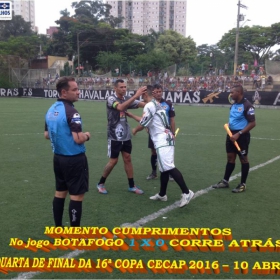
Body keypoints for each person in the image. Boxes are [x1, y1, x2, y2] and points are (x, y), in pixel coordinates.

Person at [127, 85, 194, 208]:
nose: (141, 97)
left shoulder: (150, 105)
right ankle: (162, 194)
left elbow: (144, 123)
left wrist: (134, 124)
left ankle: (186, 192)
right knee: (164, 169)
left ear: (145, 94)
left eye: (142, 94)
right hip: (164, 138)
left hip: (162, 139)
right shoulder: (156, 105)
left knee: (169, 167)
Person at [44, 76, 91, 227]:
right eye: (75, 89)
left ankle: (58, 228)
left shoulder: (51, 110)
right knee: (76, 196)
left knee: (60, 193)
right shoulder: (72, 112)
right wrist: (87, 136)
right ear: (64, 92)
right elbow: (78, 139)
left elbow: (46, 135)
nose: (78, 92)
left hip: (58, 158)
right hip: (74, 159)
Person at [96, 79, 147, 194]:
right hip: (114, 135)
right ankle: (101, 183)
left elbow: (141, 104)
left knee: (127, 158)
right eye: (121, 87)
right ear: (115, 88)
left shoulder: (126, 98)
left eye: (125, 87)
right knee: (113, 161)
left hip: (126, 134)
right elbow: (120, 107)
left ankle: (131, 185)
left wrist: (150, 102)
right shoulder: (111, 99)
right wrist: (135, 96)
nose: (124, 89)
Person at [212, 85, 256, 193]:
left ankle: (242, 184)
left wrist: (239, 133)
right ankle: (225, 181)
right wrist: (229, 126)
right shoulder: (234, 104)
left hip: (241, 136)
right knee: (230, 158)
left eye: (232, 92)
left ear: (239, 92)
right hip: (231, 134)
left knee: (243, 159)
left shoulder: (247, 106)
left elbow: (253, 123)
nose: (231, 94)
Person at [146, 84, 175, 181]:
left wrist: (173, 133)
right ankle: (154, 172)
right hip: (154, 132)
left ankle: (170, 172)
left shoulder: (168, 104)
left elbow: (172, 119)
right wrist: (147, 127)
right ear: (153, 93)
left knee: (167, 152)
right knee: (153, 151)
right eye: (156, 92)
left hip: (166, 133)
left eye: (160, 91)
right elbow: (147, 118)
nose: (159, 94)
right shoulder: (151, 104)